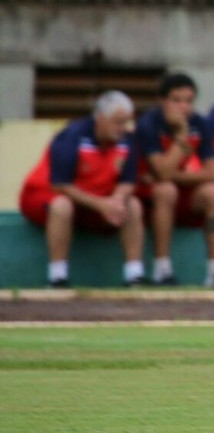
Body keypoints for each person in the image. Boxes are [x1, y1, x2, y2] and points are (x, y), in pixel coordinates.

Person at [19, 90, 148, 287]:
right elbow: (60, 185)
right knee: (62, 205)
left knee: (133, 205)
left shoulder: (127, 141)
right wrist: (101, 205)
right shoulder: (71, 136)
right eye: (118, 122)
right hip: (48, 197)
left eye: (126, 122)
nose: (123, 128)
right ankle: (58, 276)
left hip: (97, 202)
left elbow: (128, 180)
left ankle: (134, 275)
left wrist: (115, 200)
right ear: (101, 118)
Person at [135, 72, 214, 286]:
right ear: (162, 101)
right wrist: (181, 137)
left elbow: (212, 173)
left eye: (189, 101)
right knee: (166, 190)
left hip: (177, 189)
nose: (183, 107)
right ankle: (162, 269)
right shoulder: (149, 124)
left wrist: (177, 176)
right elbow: (163, 173)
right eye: (176, 100)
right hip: (146, 195)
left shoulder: (201, 123)